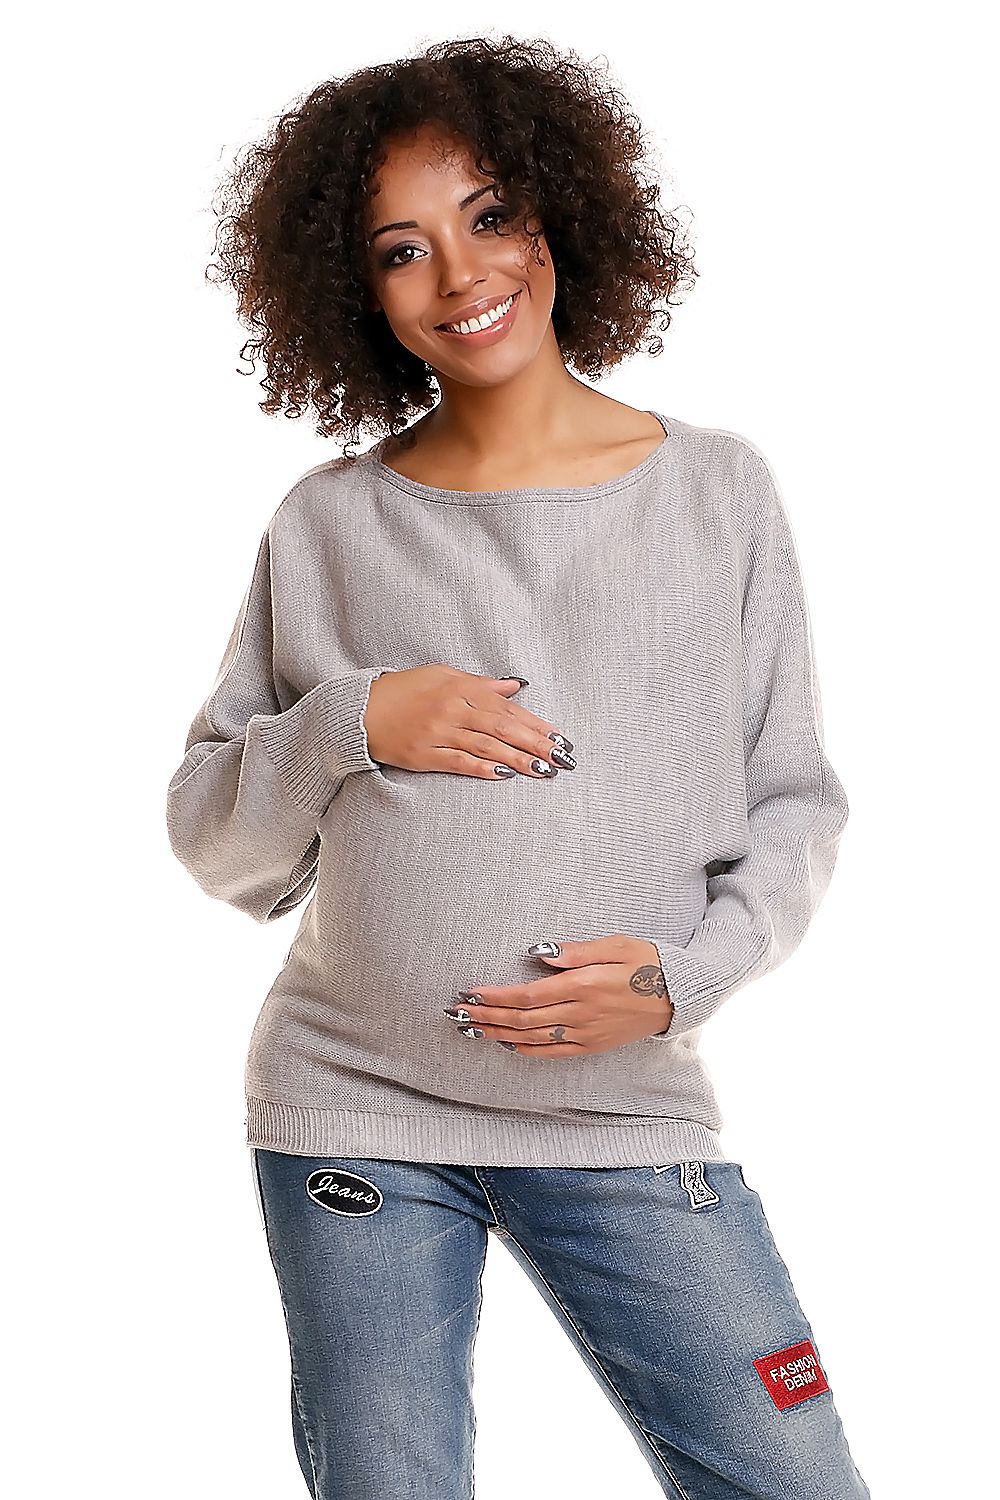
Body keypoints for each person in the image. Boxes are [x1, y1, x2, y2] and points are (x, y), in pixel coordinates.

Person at [166, 34, 870, 1500]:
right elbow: (219, 839)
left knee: (792, 1479)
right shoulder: (327, 526)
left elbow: (795, 799)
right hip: (349, 1111)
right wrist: (357, 717)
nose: (461, 276)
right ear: (356, 291)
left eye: (490, 216)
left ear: (561, 216)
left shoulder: (717, 490)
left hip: (623, 1115)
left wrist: (683, 979)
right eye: (401, 250)